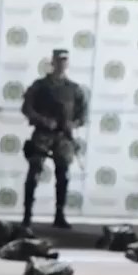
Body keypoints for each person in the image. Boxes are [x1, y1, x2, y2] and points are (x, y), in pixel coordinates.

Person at [21, 48, 87, 229]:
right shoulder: (40, 85)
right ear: (53, 62)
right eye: (59, 60)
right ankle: (27, 216)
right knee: (34, 172)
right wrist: (43, 120)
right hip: (43, 134)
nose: (61, 64)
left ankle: (59, 215)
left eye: (65, 60)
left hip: (63, 136)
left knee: (63, 174)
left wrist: (72, 124)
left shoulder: (74, 89)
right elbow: (27, 108)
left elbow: (83, 115)